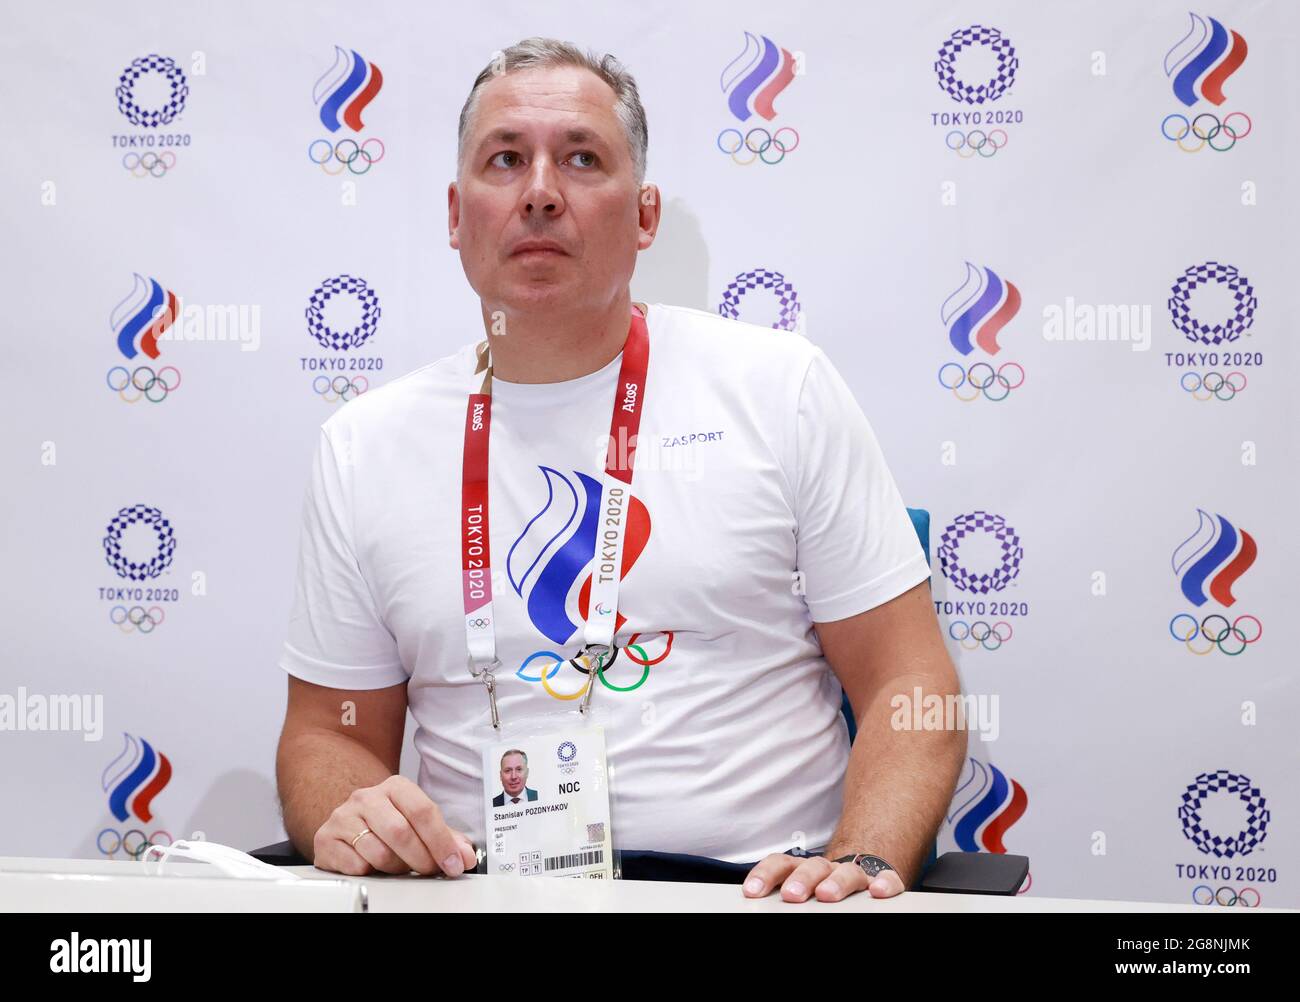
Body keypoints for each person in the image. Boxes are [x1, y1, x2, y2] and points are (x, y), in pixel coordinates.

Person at [276, 37, 964, 904]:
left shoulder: (778, 389)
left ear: (644, 216)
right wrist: (350, 809)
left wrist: (859, 864)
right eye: (505, 160)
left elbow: (911, 685)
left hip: (752, 893)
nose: (539, 192)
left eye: (580, 158)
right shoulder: (364, 446)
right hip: (476, 890)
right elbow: (323, 734)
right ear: (456, 216)